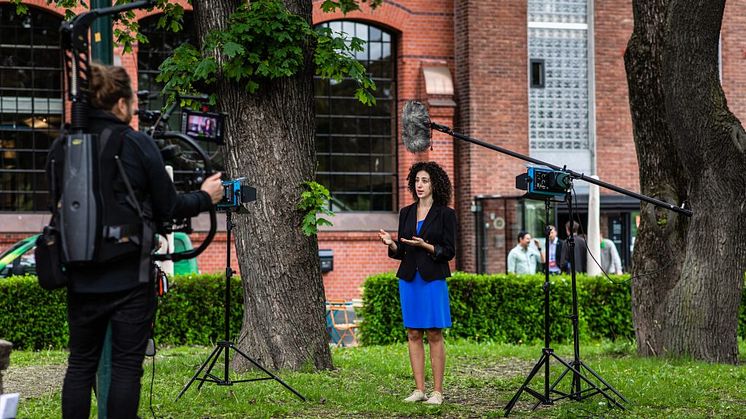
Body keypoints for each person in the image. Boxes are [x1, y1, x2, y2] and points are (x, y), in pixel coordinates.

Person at [49, 64, 223, 419]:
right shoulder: (136, 143)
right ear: (121, 103)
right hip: (130, 276)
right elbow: (170, 205)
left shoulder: (63, 147)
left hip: (81, 275)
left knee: (80, 365)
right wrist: (206, 197)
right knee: (128, 367)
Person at [377, 161, 456, 406]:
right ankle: (419, 389)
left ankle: (438, 392)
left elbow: (449, 251)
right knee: (413, 333)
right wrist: (391, 243)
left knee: (434, 332)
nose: (419, 185)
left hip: (432, 278)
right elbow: (403, 250)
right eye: (417, 181)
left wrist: (426, 246)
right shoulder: (407, 212)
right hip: (410, 278)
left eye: (425, 181)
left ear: (435, 184)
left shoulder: (446, 213)